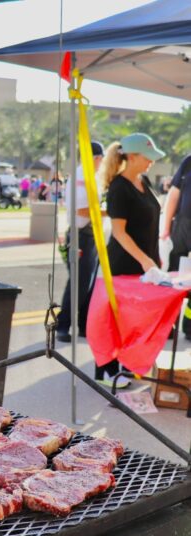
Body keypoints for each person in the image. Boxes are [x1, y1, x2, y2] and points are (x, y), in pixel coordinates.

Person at [95, 133, 165, 387]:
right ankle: (107, 370)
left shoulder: (143, 181)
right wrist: (145, 260)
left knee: (135, 320)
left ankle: (128, 365)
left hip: (145, 264)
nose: (151, 162)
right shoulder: (119, 188)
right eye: (148, 157)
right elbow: (119, 233)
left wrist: (153, 259)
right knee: (116, 318)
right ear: (132, 156)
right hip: (124, 265)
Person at [57, 141, 105, 343]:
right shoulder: (81, 176)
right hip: (80, 235)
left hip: (89, 235)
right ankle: (62, 325)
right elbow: (81, 210)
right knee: (79, 282)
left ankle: (84, 325)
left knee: (89, 283)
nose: (101, 163)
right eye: (100, 159)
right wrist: (111, 212)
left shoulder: (89, 176)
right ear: (95, 158)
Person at [160, 153, 191, 338]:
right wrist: (166, 227)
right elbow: (174, 194)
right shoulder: (189, 161)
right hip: (183, 225)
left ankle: (189, 327)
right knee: (175, 276)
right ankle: (169, 324)